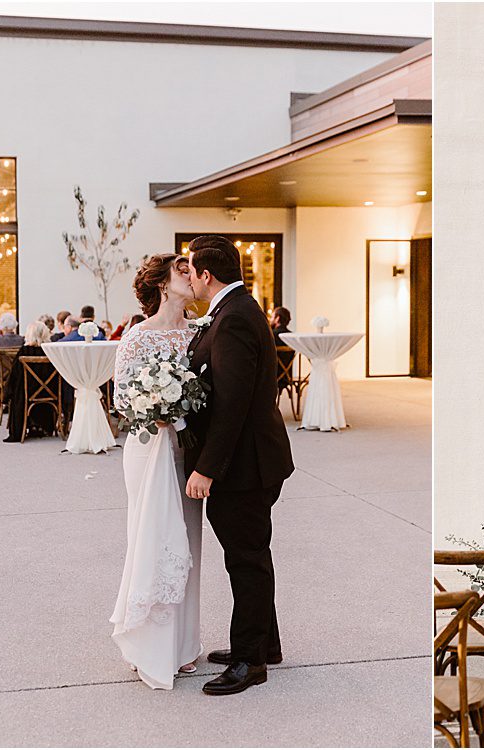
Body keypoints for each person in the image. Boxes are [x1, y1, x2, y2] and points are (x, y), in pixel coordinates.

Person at [179, 235, 295, 696]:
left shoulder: (234, 319)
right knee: (251, 555)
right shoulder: (236, 311)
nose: (189, 278)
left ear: (208, 275)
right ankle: (264, 644)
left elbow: (233, 404)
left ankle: (250, 659)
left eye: (192, 271)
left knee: (245, 560)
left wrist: (207, 468)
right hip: (251, 460)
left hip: (245, 467)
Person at [108, 253, 205, 690]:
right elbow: (122, 400)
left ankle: (183, 646)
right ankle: (146, 639)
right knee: (150, 539)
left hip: (189, 454)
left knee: (189, 546)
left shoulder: (200, 334)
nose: (191, 275)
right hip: (148, 450)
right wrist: (156, 407)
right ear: (163, 285)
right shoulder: (136, 338)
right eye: (182, 271)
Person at [269, 306, 294, 387]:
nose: (270, 319)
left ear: (277, 318)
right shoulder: (292, 337)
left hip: (272, 376)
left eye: (272, 317)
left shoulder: (271, 335)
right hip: (287, 377)